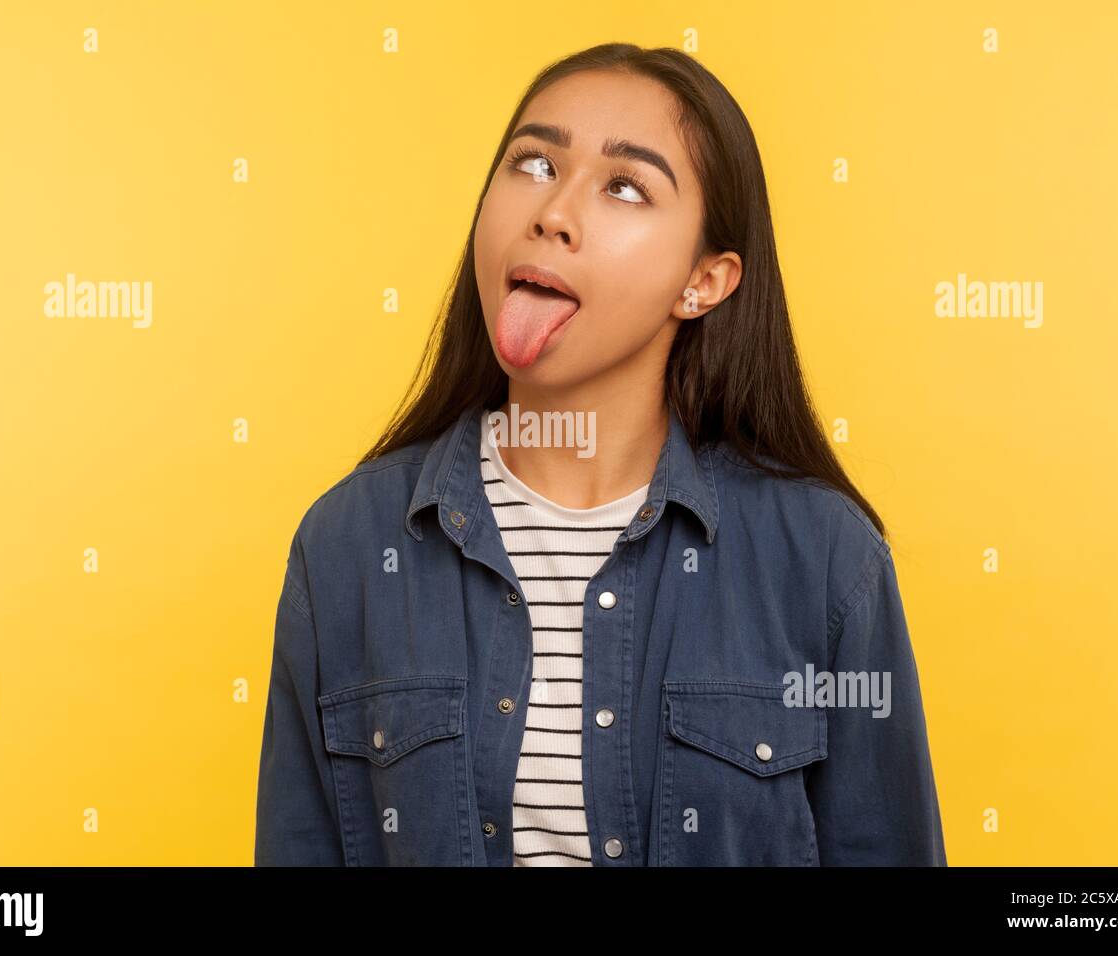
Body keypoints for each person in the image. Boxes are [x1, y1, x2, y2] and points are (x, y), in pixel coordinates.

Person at [254, 42, 946, 866]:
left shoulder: (827, 561)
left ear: (706, 280)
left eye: (626, 186)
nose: (552, 212)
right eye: (534, 164)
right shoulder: (344, 548)